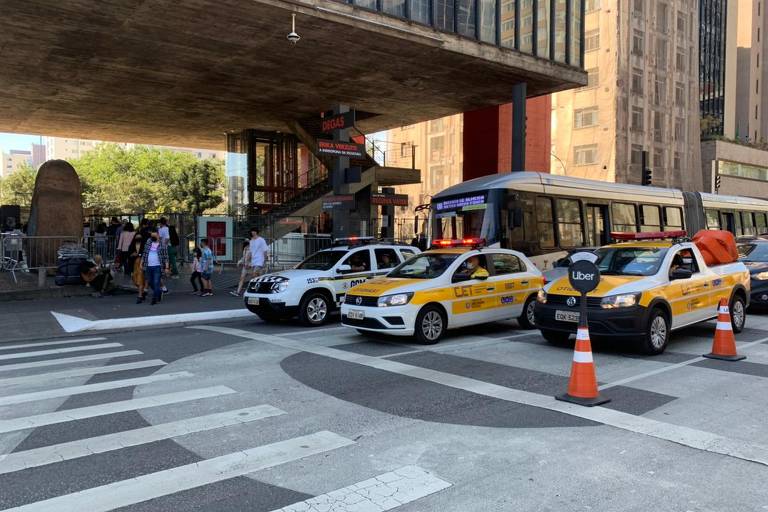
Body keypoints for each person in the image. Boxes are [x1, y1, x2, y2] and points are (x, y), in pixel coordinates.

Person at [141, 228, 169, 305]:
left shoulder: (162, 245)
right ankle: (159, 292)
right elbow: (144, 253)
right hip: (148, 266)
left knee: (156, 282)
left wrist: (166, 267)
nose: (152, 237)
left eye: (154, 235)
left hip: (157, 266)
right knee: (150, 282)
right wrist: (141, 263)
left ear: (158, 235)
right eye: (151, 235)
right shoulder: (148, 242)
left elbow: (166, 257)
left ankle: (154, 298)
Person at [129, 234, 146, 303]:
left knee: (140, 279)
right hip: (134, 265)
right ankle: (142, 292)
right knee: (135, 280)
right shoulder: (132, 245)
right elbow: (129, 254)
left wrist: (138, 255)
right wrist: (132, 255)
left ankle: (140, 295)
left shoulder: (144, 245)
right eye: (137, 237)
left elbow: (145, 253)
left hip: (141, 265)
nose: (138, 239)